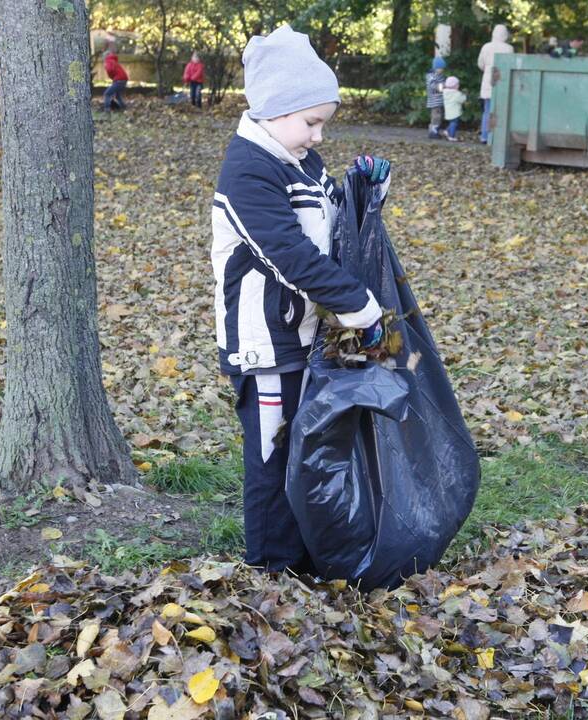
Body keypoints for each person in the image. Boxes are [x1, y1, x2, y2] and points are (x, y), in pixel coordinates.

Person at [211, 24, 392, 575]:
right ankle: (269, 568)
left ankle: (307, 557)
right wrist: (358, 306)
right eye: (311, 122)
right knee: (272, 458)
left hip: (308, 338)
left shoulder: (300, 162)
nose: (318, 136)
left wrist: (365, 190)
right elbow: (288, 254)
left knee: (304, 451)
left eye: (323, 124)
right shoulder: (248, 171)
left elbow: (332, 221)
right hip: (267, 345)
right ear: (273, 109)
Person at [477, 25, 514, 144]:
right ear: (505, 35)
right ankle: (496, 137)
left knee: (487, 110)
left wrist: (487, 69)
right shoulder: (509, 48)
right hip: (502, 81)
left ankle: (484, 136)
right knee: (501, 110)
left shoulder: (486, 47)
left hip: (488, 80)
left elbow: (480, 64)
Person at [425, 56, 446, 139]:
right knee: (436, 116)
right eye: (440, 68)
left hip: (439, 100)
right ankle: (433, 132)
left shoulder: (440, 75)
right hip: (435, 101)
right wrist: (443, 86)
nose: (442, 70)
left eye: (443, 68)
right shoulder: (432, 76)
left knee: (439, 116)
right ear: (436, 68)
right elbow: (433, 86)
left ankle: (435, 130)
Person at [442, 76, 466, 142]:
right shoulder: (456, 94)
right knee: (454, 123)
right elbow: (462, 100)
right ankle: (451, 136)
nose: (458, 85)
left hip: (448, 112)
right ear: (454, 86)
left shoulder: (445, 92)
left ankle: (447, 131)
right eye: (457, 84)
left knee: (452, 122)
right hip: (455, 113)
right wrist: (464, 95)